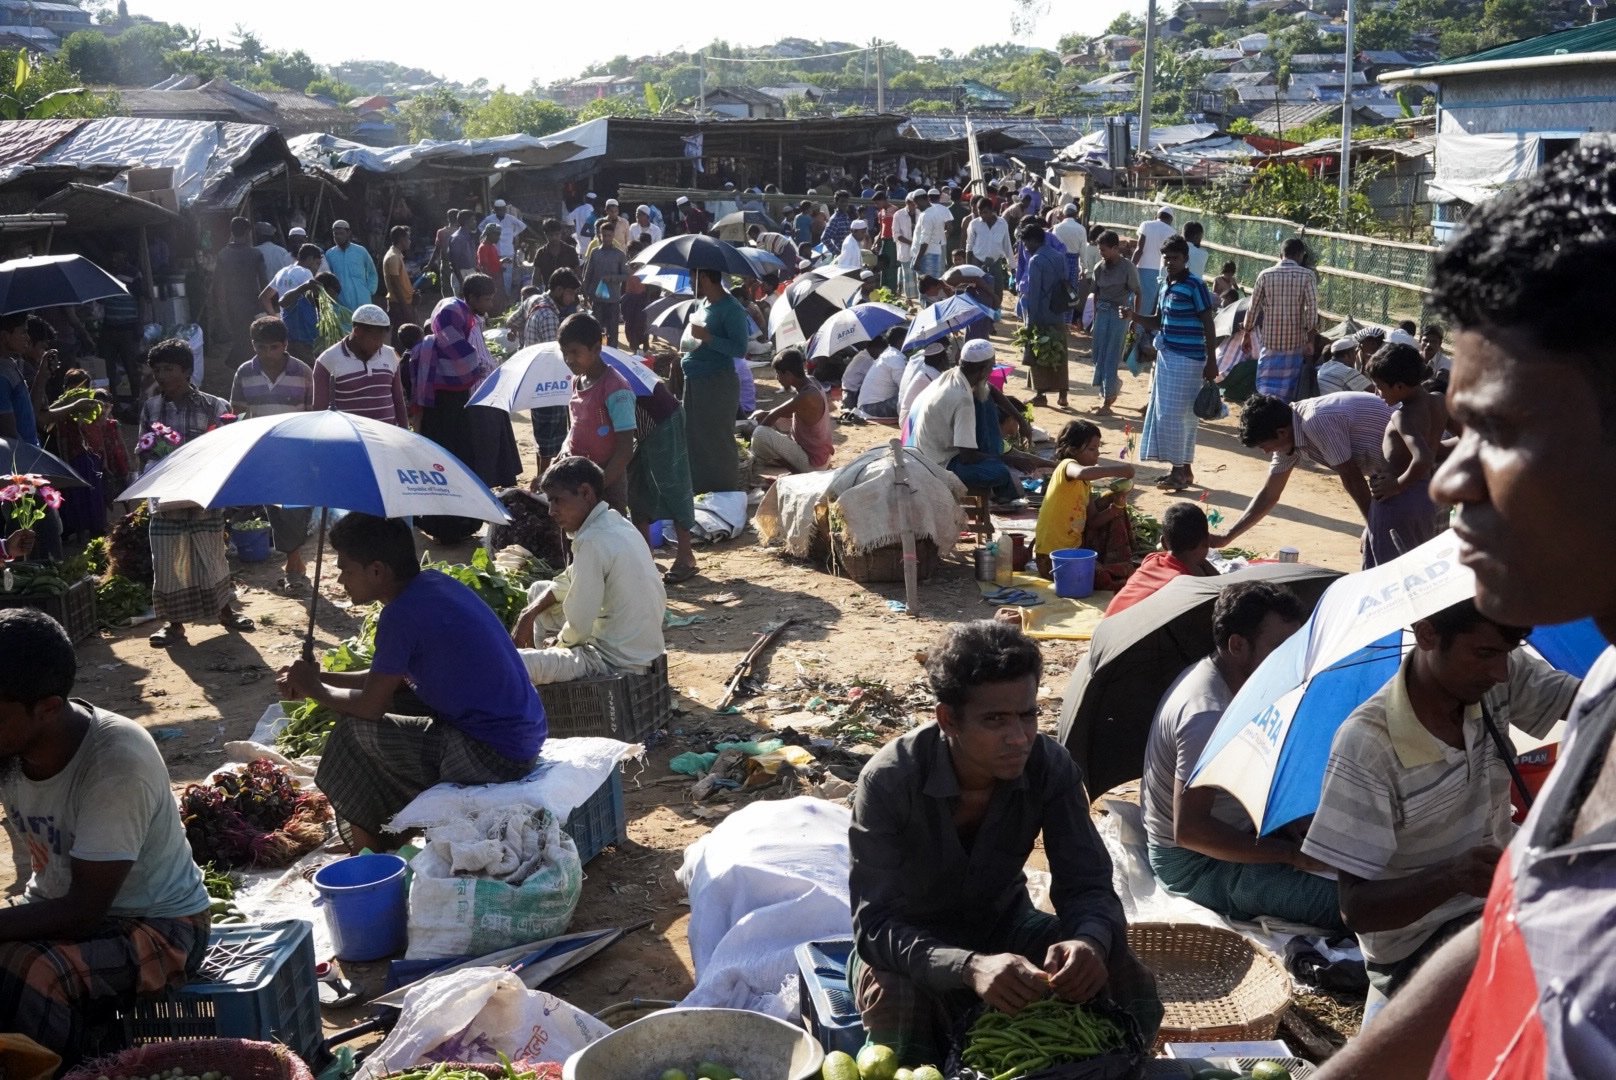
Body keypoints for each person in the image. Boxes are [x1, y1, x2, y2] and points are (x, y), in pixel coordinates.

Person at [1304, 143, 1616, 1080]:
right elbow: (1511, 926)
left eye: (1502, 430)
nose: (1447, 481)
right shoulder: (1601, 689)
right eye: (1457, 426)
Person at [850, 619, 1163, 1066]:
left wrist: (1089, 942)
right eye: (994, 720)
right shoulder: (888, 781)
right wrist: (969, 966)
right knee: (897, 1007)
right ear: (948, 720)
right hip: (914, 944)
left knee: (1121, 973)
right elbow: (874, 927)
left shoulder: (1049, 767)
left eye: (1028, 714)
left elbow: (1088, 884)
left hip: (1004, 924)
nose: (1018, 737)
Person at [1300, 600, 1580, 1014]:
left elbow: (1591, 703)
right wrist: (1454, 876)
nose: (1500, 671)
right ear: (1428, 633)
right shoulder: (1367, 745)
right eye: (1484, 654)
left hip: (1504, 897)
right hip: (1417, 942)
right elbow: (1357, 909)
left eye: (1510, 650)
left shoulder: (1497, 672)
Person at [0, 609, 211, 1062]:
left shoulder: (115, 761)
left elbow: (85, 912)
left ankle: (85, 1070)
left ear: (48, 708)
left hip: (161, 928)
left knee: (33, 970)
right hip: (61, 912)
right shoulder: (12, 743)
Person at [276, 514, 545, 853]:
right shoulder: (432, 585)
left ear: (376, 571)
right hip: (519, 738)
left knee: (352, 732)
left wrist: (314, 689)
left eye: (345, 569)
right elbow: (386, 683)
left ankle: (366, 851)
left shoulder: (400, 615)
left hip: (495, 756)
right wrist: (317, 677)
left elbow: (370, 707)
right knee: (393, 707)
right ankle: (385, 833)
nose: (340, 579)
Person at [1139, 582, 1343, 928]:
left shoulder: (1246, 682)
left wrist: (1294, 826)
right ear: (1237, 645)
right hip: (1193, 864)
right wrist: (1291, 855)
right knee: (1348, 905)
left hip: (1244, 831)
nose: (1293, 662)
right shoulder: (1207, 714)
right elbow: (1189, 830)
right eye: (1280, 649)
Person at [511, 456, 666, 683]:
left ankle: (543, 685)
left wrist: (560, 645)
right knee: (539, 591)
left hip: (612, 661)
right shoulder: (616, 524)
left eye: (557, 500)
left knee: (513, 665)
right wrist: (528, 614)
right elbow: (570, 579)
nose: (551, 511)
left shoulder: (592, 540)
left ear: (585, 493)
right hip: (641, 650)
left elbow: (579, 622)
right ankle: (543, 665)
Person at [140, 340, 253, 649]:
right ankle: (173, 626)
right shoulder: (151, 407)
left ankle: (226, 613)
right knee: (166, 562)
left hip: (204, 498)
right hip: (165, 500)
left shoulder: (214, 406)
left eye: (169, 369)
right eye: (158, 370)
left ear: (187, 371)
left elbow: (226, 450)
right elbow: (144, 449)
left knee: (213, 557)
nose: (162, 375)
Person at [1218, 392, 1407, 569]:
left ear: (1282, 432)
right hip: (1391, 473)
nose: (1266, 452)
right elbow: (1269, 494)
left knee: (1394, 551)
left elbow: (1351, 477)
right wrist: (1228, 536)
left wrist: (1373, 526)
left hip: (1414, 467)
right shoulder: (1290, 439)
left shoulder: (1315, 422)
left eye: (1264, 446)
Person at [412, 276, 520, 539]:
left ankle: (463, 524)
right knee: (445, 466)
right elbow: (467, 360)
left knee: (463, 464)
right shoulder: (448, 327)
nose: (491, 303)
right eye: (486, 298)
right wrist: (478, 368)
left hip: (461, 407)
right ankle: (445, 526)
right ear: (471, 297)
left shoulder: (466, 321)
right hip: (446, 412)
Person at [1125, 235, 1218, 492]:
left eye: (1174, 258)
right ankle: (1184, 470)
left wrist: (1212, 361)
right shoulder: (1166, 285)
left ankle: (1178, 472)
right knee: (1178, 414)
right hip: (1168, 356)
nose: (1169, 262)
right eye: (1166, 258)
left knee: (1176, 416)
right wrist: (1134, 316)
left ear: (1186, 259)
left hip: (1189, 359)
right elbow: (1158, 321)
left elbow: (1208, 322)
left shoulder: (1195, 285)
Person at [908, 339, 1046, 505]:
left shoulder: (954, 374)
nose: (991, 371)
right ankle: (1007, 497)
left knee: (984, 395)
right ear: (982, 370)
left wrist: (1021, 420)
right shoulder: (962, 400)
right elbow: (968, 457)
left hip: (937, 452)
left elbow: (992, 389)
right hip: (940, 464)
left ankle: (1005, 489)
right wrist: (1010, 460)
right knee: (1000, 472)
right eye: (991, 367)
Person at [230, 317, 314, 581]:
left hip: (295, 449)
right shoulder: (244, 372)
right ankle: (293, 559)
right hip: (263, 451)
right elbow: (238, 413)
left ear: (285, 344)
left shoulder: (302, 371)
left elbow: (313, 412)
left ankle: (294, 558)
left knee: (297, 507)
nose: (267, 354)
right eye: (261, 347)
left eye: (273, 347)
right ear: (253, 345)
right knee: (275, 508)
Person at [1362, 341, 1446, 555]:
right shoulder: (1438, 401)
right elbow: (1469, 439)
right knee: (1413, 565)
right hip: (1425, 500)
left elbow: (1423, 458)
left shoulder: (1403, 416)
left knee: (1387, 571)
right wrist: (1436, 448)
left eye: (1380, 387)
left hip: (1397, 501)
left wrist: (1397, 486)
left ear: (1399, 386)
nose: (1378, 393)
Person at [1032, 419, 1136, 587]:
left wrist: (1116, 507)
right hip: (1051, 559)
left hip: (1074, 551)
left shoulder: (1085, 484)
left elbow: (1093, 520)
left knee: (1109, 497)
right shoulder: (1067, 466)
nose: (1097, 454)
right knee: (1101, 579)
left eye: (1098, 448)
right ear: (1072, 450)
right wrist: (1118, 469)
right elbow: (1081, 472)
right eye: (1092, 449)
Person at [552, 312, 636, 510]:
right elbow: (575, 427)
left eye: (574, 352)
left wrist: (598, 487)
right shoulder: (577, 382)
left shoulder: (616, 388)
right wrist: (561, 455)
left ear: (597, 349)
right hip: (577, 480)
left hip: (607, 482)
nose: (569, 359)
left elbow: (625, 449)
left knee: (607, 535)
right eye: (564, 352)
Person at [680, 268, 749, 495]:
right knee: (695, 438)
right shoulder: (703, 304)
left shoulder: (731, 309)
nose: (690, 282)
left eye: (693, 278)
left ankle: (724, 493)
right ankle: (700, 490)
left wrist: (708, 337)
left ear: (706, 278)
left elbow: (739, 349)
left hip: (717, 382)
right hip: (695, 380)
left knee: (718, 440)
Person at [1106, 502, 1219, 615]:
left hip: (1106, 626)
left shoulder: (1152, 559)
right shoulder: (1186, 586)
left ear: (1163, 543)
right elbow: (1221, 590)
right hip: (1134, 631)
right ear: (1207, 542)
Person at [1244, 238, 1319, 403]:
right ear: (1300, 255)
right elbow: (1312, 311)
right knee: (1290, 388)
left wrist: (1247, 333)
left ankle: (1265, 416)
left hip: (1270, 342)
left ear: (1280, 255)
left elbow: (1253, 308)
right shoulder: (1307, 276)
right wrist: (1310, 340)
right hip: (1295, 343)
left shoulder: (1265, 275)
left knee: (1265, 387)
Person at [522, 269, 581, 476]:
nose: (572, 298)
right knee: (552, 437)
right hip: (550, 383)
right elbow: (557, 355)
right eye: (571, 293)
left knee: (541, 433)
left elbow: (513, 321)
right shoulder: (549, 315)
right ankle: (546, 481)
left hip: (534, 378)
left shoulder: (534, 300)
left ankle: (541, 477)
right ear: (558, 290)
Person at [313, 303, 407, 426]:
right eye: (375, 338)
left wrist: (404, 431)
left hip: (387, 438)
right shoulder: (327, 361)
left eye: (382, 339)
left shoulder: (390, 355)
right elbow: (320, 411)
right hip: (349, 440)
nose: (379, 345)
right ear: (357, 331)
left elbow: (398, 400)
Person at [748, 348, 833, 474]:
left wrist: (751, 437)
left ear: (788, 374)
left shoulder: (807, 395)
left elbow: (773, 416)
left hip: (813, 465)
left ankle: (759, 464)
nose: (777, 378)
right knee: (766, 420)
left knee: (760, 433)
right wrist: (765, 415)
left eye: (778, 374)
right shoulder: (810, 381)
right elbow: (785, 412)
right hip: (819, 455)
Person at [1019, 222, 1073, 408]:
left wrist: (1031, 321)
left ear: (1034, 241)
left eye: (1026, 243)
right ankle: (1063, 394)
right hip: (1057, 310)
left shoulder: (1036, 260)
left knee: (1038, 352)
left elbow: (1034, 292)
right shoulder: (1059, 256)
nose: (1025, 247)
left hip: (1041, 312)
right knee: (1059, 352)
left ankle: (1041, 394)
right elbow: (1066, 279)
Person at [1089, 230, 1141, 416]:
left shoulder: (1128, 268)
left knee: (1111, 355)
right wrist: (1095, 318)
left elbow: (1138, 293)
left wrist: (1134, 318)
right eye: (1100, 250)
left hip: (1120, 316)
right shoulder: (1098, 268)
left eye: (1104, 250)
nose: (1101, 253)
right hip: (1102, 314)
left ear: (1114, 248)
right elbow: (1096, 295)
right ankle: (1109, 390)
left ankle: (1107, 400)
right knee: (1098, 355)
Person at [211, 216, 268, 364]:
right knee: (253, 336)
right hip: (253, 303)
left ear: (232, 231)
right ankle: (246, 365)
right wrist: (267, 305)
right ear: (248, 232)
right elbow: (264, 282)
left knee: (239, 335)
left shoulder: (223, 254)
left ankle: (239, 365)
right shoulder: (255, 254)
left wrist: (221, 306)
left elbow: (218, 284)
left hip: (233, 303)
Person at [1125, 206, 1176, 370]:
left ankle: (1130, 347)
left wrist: (1130, 268)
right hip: (1160, 273)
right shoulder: (1172, 232)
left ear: (1158, 215)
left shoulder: (1146, 225)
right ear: (1170, 219)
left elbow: (1139, 249)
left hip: (1142, 269)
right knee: (1150, 310)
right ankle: (1138, 349)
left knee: (1137, 306)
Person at [261, 244, 325, 361]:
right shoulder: (306, 273)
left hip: (287, 332)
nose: (317, 269)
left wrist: (275, 318)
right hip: (304, 333)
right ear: (310, 259)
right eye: (317, 264)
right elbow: (314, 300)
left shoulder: (282, 272)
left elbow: (264, 297)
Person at [582, 220, 629, 348]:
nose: (607, 238)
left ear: (613, 236)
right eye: (604, 235)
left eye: (609, 235)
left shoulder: (619, 255)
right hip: (597, 298)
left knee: (613, 331)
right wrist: (585, 294)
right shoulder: (595, 253)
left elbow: (626, 275)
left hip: (613, 299)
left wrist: (612, 278)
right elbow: (588, 274)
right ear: (599, 236)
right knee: (596, 330)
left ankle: (612, 355)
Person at [966, 197, 1014, 315]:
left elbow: (1007, 244)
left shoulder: (1002, 223)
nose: (982, 215)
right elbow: (969, 245)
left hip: (995, 262)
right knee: (980, 290)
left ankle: (994, 314)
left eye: (985, 212)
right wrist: (968, 267)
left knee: (997, 289)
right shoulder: (974, 224)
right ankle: (981, 315)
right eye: (980, 212)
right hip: (978, 261)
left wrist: (1012, 265)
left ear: (992, 210)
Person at [325, 219, 379, 313]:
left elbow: (372, 273)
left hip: (362, 299)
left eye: (341, 233)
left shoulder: (361, 251)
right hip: (340, 301)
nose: (338, 237)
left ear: (348, 233)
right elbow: (327, 277)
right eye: (335, 234)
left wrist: (370, 290)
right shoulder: (330, 254)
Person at [855, 328, 909, 420]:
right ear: (901, 341)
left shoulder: (889, 354)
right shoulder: (895, 358)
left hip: (867, 407)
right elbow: (905, 388)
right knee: (913, 396)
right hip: (873, 408)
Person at [898, 341, 948, 432]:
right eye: (946, 357)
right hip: (909, 422)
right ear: (942, 360)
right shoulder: (931, 375)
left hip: (910, 417)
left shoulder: (927, 370)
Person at [478, 198, 527, 290]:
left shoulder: (510, 218)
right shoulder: (489, 219)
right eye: (498, 209)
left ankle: (506, 294)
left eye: (502, 209)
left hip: (508, 251)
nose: (501, 211)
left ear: (505, 209)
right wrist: (487, 235)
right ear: (495, 209)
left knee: (507, 276)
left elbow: (522, 226)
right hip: (494, 251)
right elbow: (480, 227)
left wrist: (513, 234)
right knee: (495, 276)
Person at [911, 188, 952, 282]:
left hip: (927, 257)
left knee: (927, 291)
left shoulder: (927, 215)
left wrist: (917, 259)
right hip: (932, 254)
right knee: (932, 290)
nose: (916, 206)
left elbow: (925, 240)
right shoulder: (933, 211)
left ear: (922, 200)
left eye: (916, 203)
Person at [382, 225, 414, 341]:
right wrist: (405, 308)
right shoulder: (393, 257)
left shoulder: (397, 255)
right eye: (408, 238)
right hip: (399, 303)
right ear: (402, 239)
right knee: (400, 336)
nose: (410, 241)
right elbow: (395, 284)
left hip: (403, 302)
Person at [532, 218, 580, 289]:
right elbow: (536, 278)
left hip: (568, 293)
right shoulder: (541, 253)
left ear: (561, 233)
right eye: (551, 235)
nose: (554, 238)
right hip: (549, 293)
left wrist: (583, 293)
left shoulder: (570, 251)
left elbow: (578, 274)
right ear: (546, 235)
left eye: (557, 234)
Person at [892, 191, 918, 300]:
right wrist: (911, 243)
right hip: (905, 249)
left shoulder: (920, 213)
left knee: (917, 275)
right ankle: (910, 300)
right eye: (912, 203)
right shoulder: (898, 215)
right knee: (908, 276)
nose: (914, 206)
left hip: (918, 250)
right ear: (907, 202)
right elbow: (896, 234)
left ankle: (918, 297)